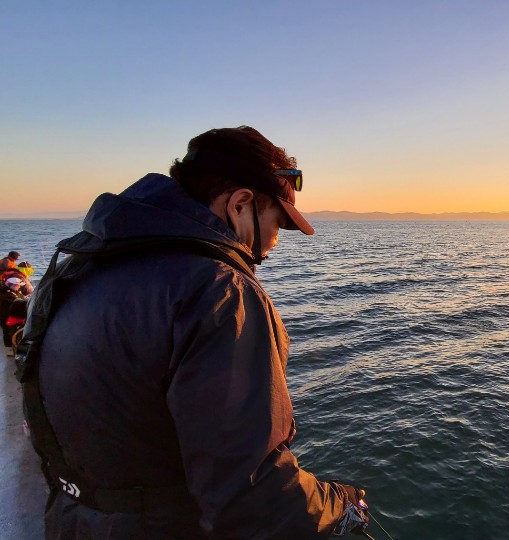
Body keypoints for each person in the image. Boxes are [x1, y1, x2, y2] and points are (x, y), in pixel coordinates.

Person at [19, 126, 370, 538]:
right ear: (240, 204)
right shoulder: (219, 292)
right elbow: (254, 499)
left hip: (73, 521)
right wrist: (339, 502)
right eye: (277, 223)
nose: (275, 242)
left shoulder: (73, 267)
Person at [1, 277, 24, 352]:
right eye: (18, 285)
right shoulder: (7, 295)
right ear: (12, 285)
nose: (19, 287)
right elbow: (15, 301)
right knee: (8, 332)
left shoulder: (14, 292)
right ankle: (9, 348)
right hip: (6, 316)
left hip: (12, 316)